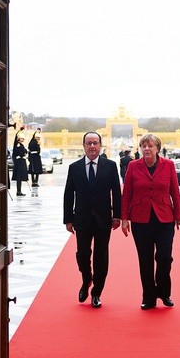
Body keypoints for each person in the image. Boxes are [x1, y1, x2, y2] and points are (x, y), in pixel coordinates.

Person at [121, 134, 180, 310]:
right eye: (143, 146)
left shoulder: (169, 165)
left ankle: (164, 293)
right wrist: (124, 219)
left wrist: (179, 218)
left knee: (165, 258)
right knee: (145, 259)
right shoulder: (133, 166)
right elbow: (126, 193)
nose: (147, 149)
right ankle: (149, 296)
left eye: (150, 146)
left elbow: (175, 192)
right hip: (140, 220)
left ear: (157, 148)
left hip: (164, 218)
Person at [63, 131, 121, 308]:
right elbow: (68, 194)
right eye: (89, 143)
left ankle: (97, 292)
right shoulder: (74, 167)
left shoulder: (110, 166)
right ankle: (86, 279)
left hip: (103, 219)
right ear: (83, 146)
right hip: (82, 218)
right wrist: (68, 219)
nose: (92, 146)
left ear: (100, 145)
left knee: (101, 256)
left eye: (95, 143)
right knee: (82, 254)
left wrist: (117, 215)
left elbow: (117, 193)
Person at [12, 130, 29, 196]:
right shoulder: (18, 146)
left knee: (20, 177)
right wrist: (24, 153)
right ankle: (18, 191)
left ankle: (19, 190)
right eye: (21, 138)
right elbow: (21, 153)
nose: (22, 140)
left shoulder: (21, 145)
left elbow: (25, 152)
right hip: (19, 163)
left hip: (21, 162)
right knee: (19, 177)